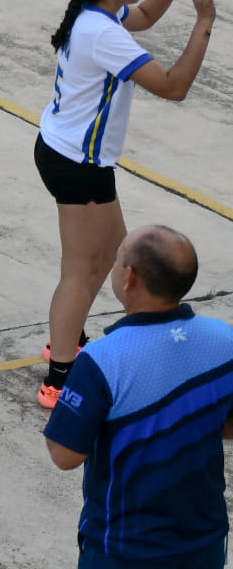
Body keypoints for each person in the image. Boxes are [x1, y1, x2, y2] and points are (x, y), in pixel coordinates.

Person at [36, 0, 214, 409]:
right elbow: (174, 86)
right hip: (78, 164)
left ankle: (67, 342)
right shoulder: (103, 35)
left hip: (69, 153)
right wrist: (204, 23)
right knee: (81, 270)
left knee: (108, 255)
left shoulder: (98, 13)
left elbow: (149, 14)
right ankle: (58, 377)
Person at [45, 225, 233, 569]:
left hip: (123, 550)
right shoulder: (225, 340)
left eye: (118, 261)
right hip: (205, 542)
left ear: (129, 278)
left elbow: (65, 454)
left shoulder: (103, 359)